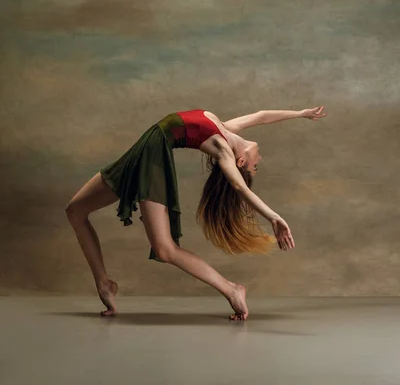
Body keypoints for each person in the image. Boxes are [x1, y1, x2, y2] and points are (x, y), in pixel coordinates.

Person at [65, 106, 327, 320]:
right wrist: (301, 114)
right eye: (256, 168)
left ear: (240, 162)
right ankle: (103, 283)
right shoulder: (225, 130)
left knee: (165, 249)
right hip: (143, 150)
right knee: (75, 211)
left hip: (153, 159)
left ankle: (232, 289)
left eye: (254, 168)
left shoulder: (222, 148)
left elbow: (237, 184)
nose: (260, 162)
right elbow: (260, 116)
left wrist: (273, 216)